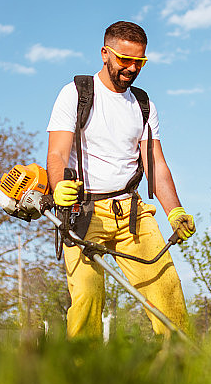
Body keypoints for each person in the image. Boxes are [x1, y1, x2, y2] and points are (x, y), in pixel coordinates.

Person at [46, 20, 195, 338]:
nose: (132, 68)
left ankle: (183, 374)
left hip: (131, 213)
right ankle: (83, 381)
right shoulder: (77, 94)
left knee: (168, 291)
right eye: (124, 59)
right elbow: (57, 154)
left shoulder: (143, 105)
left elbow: (155, 162)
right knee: (87, 297)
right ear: (104, 53)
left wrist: (175, 211)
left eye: (139, 61)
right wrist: (59, 188)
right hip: (83, 213)